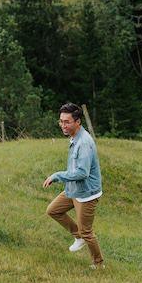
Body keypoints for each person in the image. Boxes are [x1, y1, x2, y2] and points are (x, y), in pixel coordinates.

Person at [43, 103, 105, 269]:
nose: (63, 125)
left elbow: (82, 173)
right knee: (53, 210)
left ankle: (98, 264)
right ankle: (78, 237)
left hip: (86, 193)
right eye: (61, 121)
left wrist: (57, 176)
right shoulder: (74, 137)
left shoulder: (83, 143)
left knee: (87, 231)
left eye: (67, 122)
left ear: (77, 122)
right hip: (74, 188)